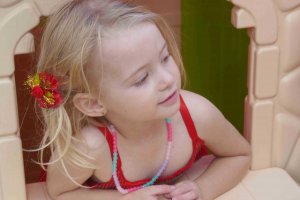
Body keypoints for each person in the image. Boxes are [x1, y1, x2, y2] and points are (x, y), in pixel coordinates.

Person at [26, 0, 251, 199]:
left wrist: (202, 189)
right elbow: (57, 192)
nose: (167, 79)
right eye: (142, 78)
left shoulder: (196, 114)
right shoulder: (91, 147)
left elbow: (240, 154)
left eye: (165, 57)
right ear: (94, 103)